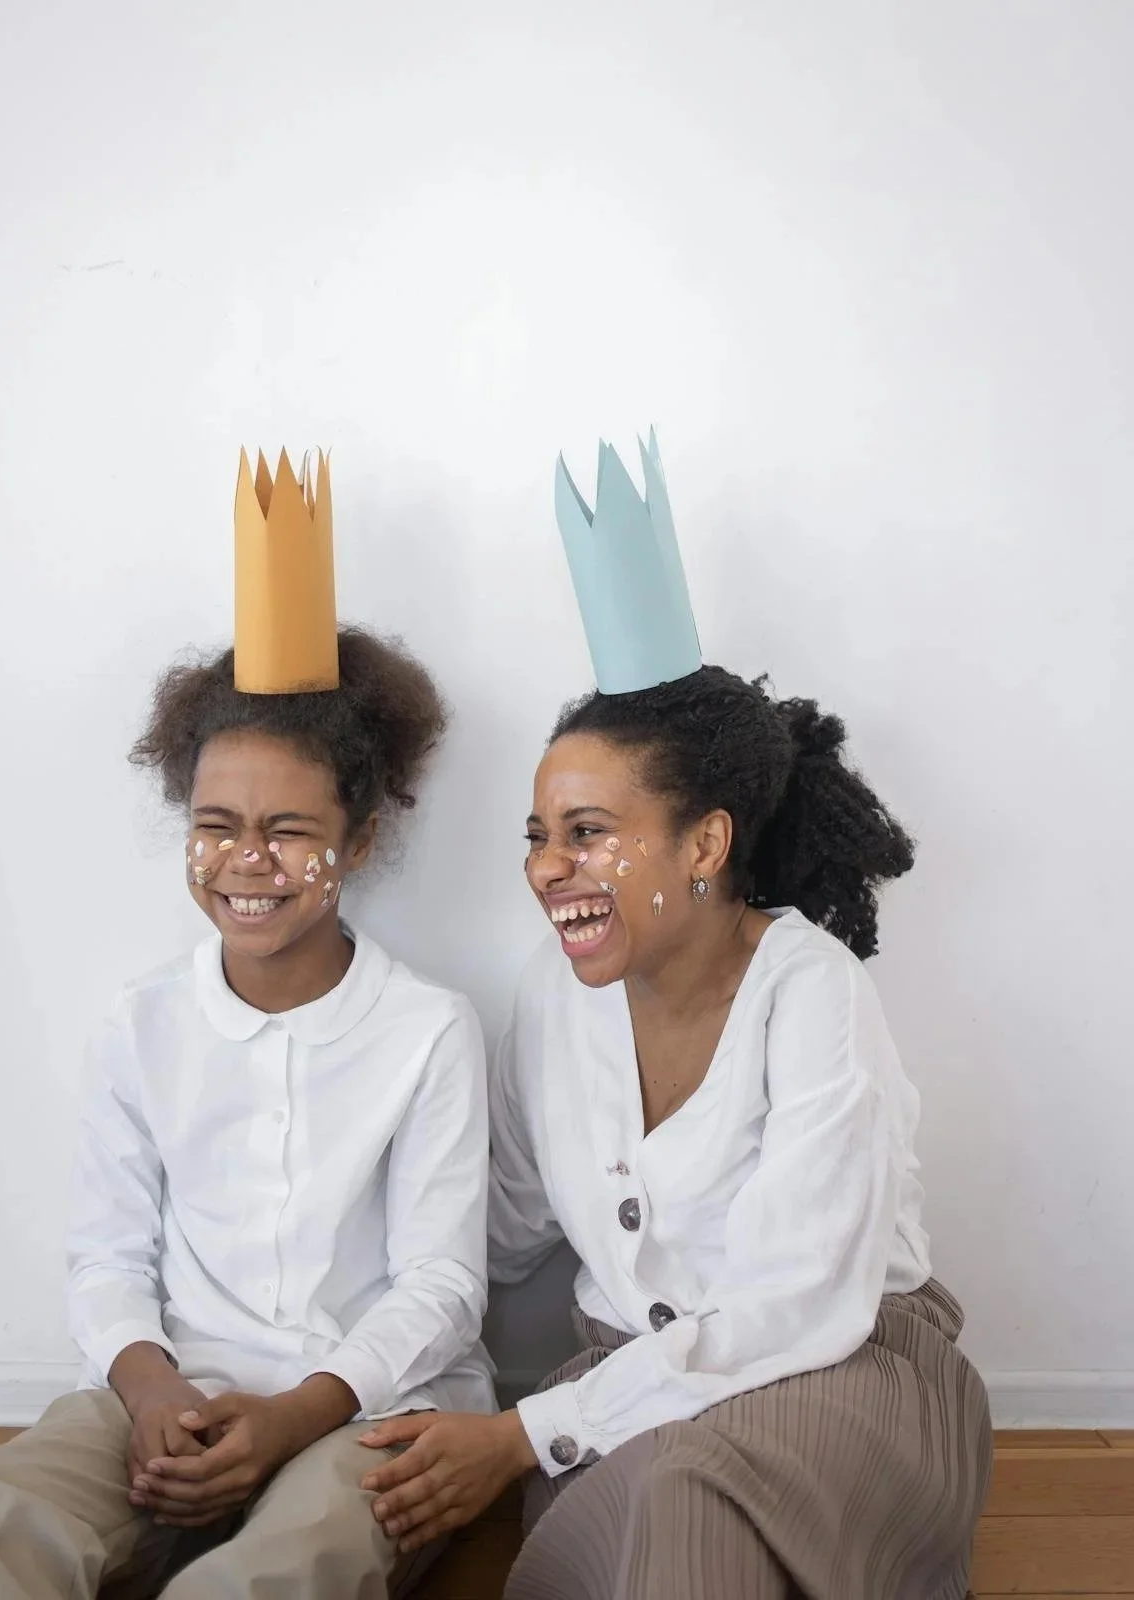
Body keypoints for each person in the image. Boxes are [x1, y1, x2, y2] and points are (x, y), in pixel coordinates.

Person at [359, 434, 992, 1599]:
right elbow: (492, 1231)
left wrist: (520, 1435)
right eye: (537, 835)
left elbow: (802, 1302)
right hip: (627, 1399)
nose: (549, 867)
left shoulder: (809, 993)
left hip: (842, 1375)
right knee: (665, 1515)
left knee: (684, 1502)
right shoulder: (552, 999)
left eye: (588, 831)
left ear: (703, 843)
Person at [0, 448, 495, 1600]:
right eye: (216, 822)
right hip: (170, 1391)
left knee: (274, 1567)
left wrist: (290, 1418)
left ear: (360, 840)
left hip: (357, 1405)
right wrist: (151, 1390)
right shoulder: (142, 1024)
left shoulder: (429, 1030)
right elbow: (108, 1255)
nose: (246, 861)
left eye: (288, 828)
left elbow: (439, 1286)